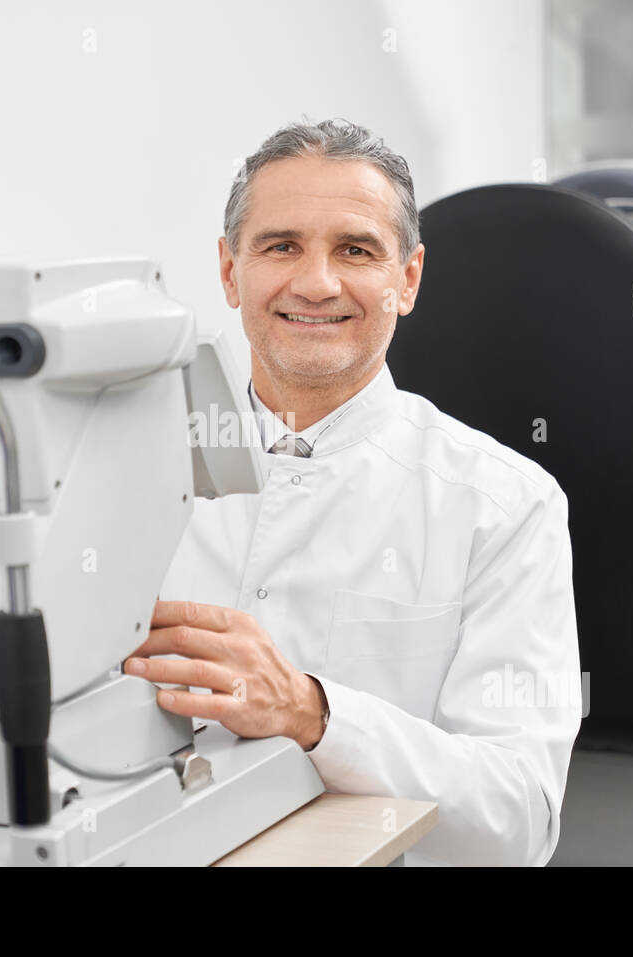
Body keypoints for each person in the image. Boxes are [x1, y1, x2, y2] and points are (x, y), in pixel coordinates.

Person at [123, 118, 581, 866]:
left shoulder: (504, 504)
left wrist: (315, 712)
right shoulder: (127, 473)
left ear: (407, 277)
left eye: (356, 250)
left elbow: (517, 818)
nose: (316, 282)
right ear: (230, 271)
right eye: (281, 246)